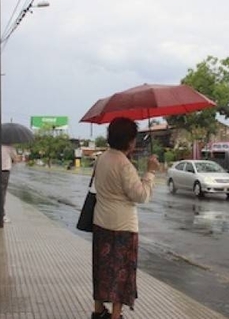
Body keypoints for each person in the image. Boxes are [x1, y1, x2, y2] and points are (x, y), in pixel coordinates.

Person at [91, 117, 160, 319]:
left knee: (102, 270)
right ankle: (116, 315)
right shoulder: (124, 165)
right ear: (129, 141)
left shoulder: (101, 158)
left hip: (101, 223)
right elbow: (140, 196)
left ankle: (98, 310)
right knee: (121, 273)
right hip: (123, 228)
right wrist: (150, 172)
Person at [0, 144, 18, 223]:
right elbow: (15, 158)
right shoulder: (9, 147)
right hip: (4, 171)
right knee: (2, 192)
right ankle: (2, 214)